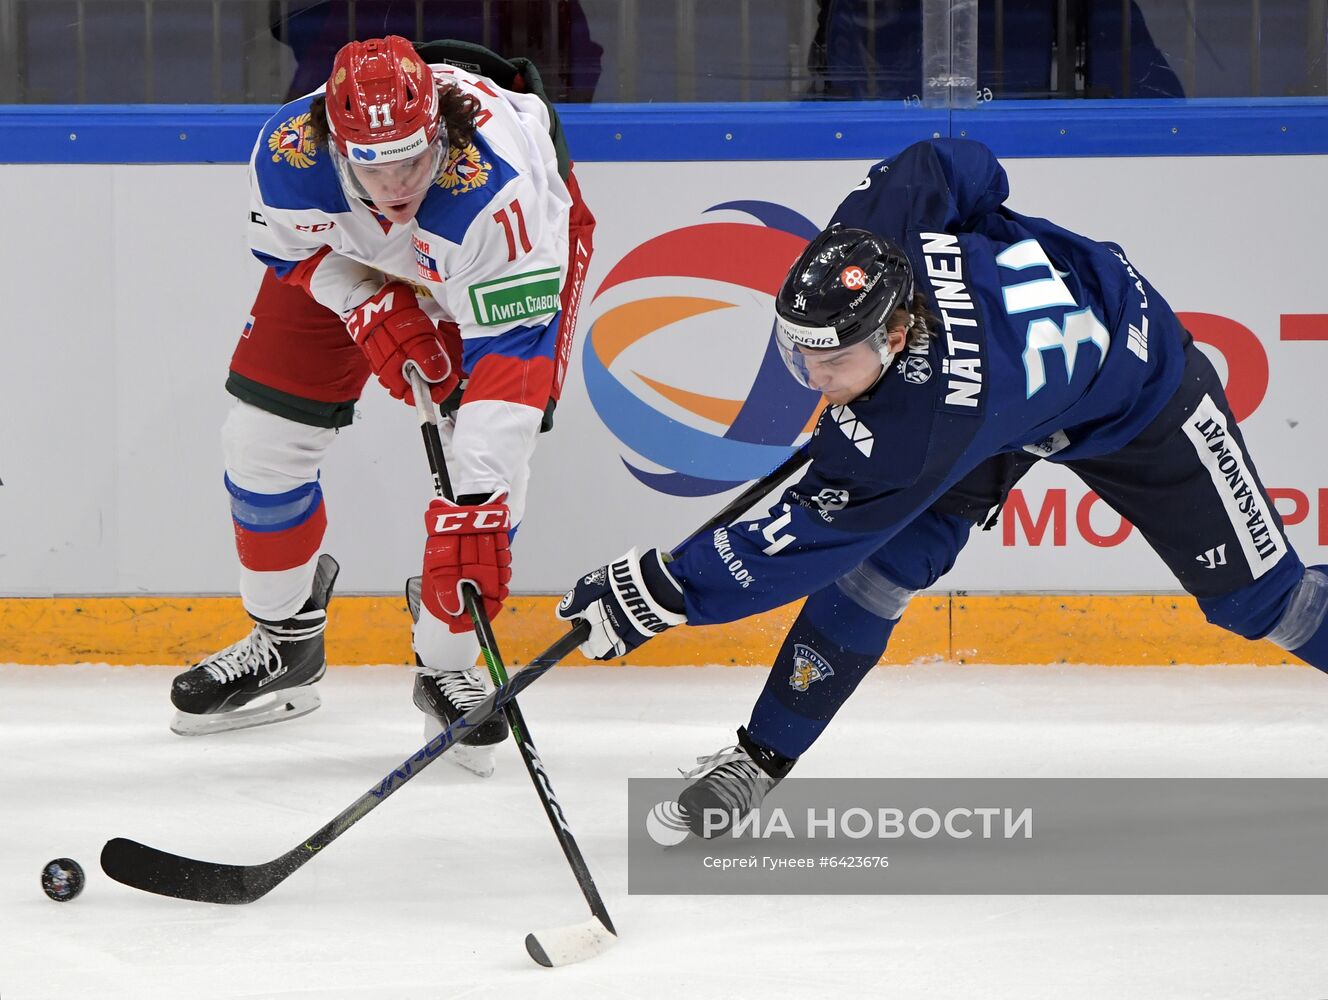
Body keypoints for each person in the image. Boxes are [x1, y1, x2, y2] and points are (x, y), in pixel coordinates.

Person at [556, 137, 1328, 835]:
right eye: (802, 356)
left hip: (1136, 386)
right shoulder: (871, 237)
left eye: (834, 365)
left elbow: (802, 538)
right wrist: (986, 239)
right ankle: (761, 758)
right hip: (1010, 394)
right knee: (878, 576)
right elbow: (956, 162)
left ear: (893, 336)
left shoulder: (917, 430)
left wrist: (663, 590)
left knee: (1267, 605)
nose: (816, 381)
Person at [168, 36, 595, 778]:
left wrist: (477, 505)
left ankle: (447, 661)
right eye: (374, 162)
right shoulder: (289, 155)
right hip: (350, 255)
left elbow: (510, 367)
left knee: (488, 478)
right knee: (259, 439)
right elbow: (284, 249)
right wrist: (364, 302)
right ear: (336, 148)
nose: (396, 182)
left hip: (489, 269)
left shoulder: (496, 193)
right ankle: (286, 638)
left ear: (439, 134)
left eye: (413, 157)